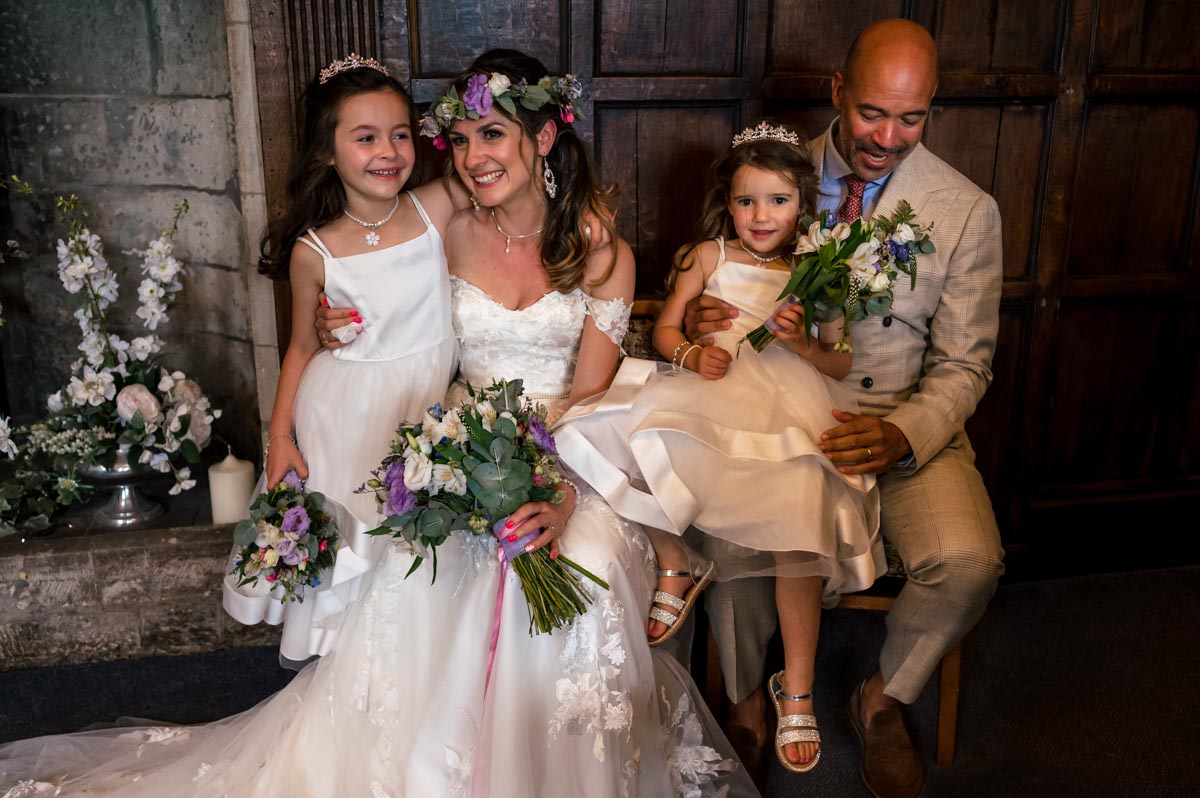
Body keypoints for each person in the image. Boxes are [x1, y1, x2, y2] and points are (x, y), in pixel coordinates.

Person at [0, 52, 758, 797]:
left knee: (575, 579)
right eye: (458, 140)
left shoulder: (601, 251)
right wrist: (333, 327)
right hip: (461, 445)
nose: (472, 157)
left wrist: (558, 496)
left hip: (576, 455)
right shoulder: (448, 225)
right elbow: (377, 275)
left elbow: (590, 401)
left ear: (545, 137)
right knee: (422, 572)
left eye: (492, 135)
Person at [683, 19, 1005, 798]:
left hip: (897, 424)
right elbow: (714, 274)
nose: (887, 137)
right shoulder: (773, 173)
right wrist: (697, 320)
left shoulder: (967, 210)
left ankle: (884, 698)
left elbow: (967, 365)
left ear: (931, 110)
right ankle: (749, 700)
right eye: (871, 112)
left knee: (969, 561)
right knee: (722, 537)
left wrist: (901, 434)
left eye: (911, 117)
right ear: (836, 93)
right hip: (770, 415)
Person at [553, 124, 884, 774]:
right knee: (598, 428)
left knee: (800, 521)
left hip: (789, 402)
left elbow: (840, 363)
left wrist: (798, 343)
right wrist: (688, 354)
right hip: (712, 390)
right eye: (747, 201)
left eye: (778, 201)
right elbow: (667, 325)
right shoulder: (708, 256)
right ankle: (678, 557)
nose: (762, 216)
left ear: (802, 205)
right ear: (728, 203)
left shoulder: (820, 269)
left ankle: (797, 688)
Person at [218, 54, 459, 665]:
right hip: (345, 415)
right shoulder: (314, 250)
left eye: (400, 134)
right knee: (362, 549)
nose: (389, 150)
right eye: (366, 137)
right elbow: (302, 346)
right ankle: (354, 671)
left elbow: (501, 173)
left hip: (424, 407)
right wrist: (279, 439)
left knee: (416, 550)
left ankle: (412, 673)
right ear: (327, 151)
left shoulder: (437, 207)